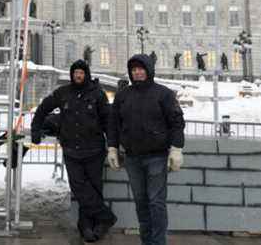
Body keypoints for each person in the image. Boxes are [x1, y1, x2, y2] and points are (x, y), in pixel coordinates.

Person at [31, 60, 116, 242]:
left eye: (81, 73)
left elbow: (108, 121)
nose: (78, 76)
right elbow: (43, 108)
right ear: (72, 75)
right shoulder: (63, 93)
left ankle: (89, 226)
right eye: (75, 72)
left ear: (86, 74)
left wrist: (113, 146)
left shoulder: (98, 95)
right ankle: (105, 217)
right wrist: (35, 129)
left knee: (94, 188)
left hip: (94, 150)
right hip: (72, 151)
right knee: (78, 187)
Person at [108, 54, 185, 245]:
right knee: (141, 203)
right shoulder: (123, 95)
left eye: (141, 69)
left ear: (149, 70)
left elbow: (177, 122)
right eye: (134, 70)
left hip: (156, 157)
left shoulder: (164, 94)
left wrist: (177, 148)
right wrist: (112, 148)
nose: (137, 72)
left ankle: (158, 242)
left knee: (156, 203)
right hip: (132, 158)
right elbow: (113, 124)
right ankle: (147, 241)